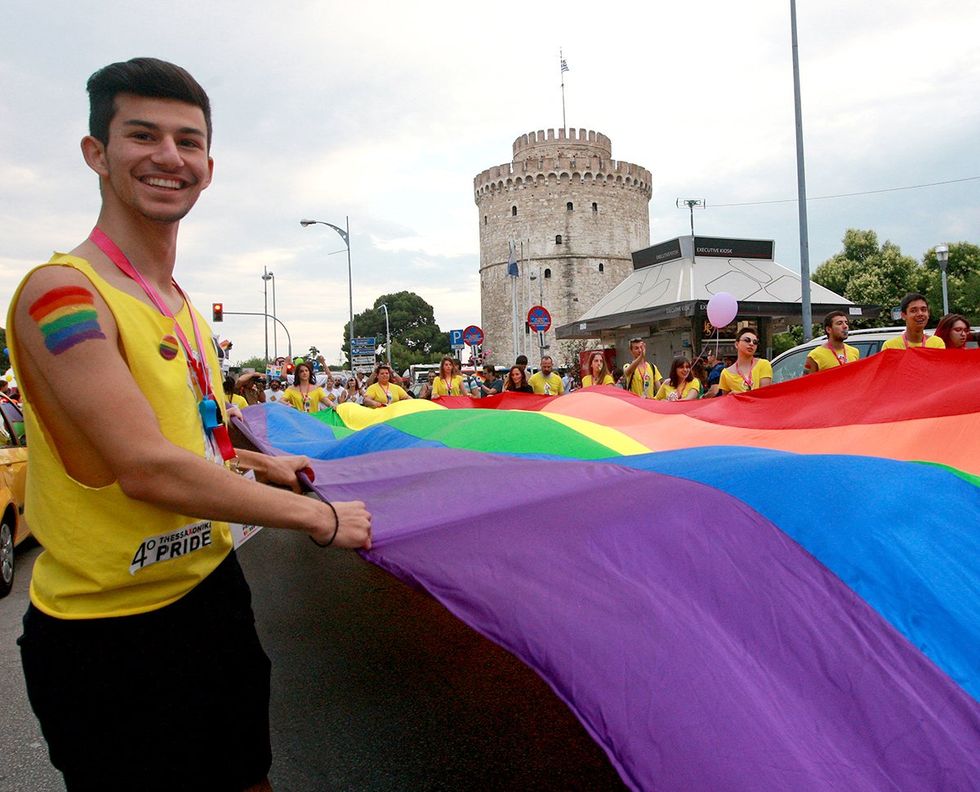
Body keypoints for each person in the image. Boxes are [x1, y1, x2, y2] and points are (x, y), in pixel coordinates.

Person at [7, 58, 371, 792]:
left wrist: (257, 463)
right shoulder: (61, 297)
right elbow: (146, 467)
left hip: (210, 594)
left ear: (208, 167)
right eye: (142, 135)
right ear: (96, 154)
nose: (169, 157)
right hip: (108, 635)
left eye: (189, 141)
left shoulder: (177, 301)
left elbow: (193, 442)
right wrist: (317, 517)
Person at [718, 328, 772, 393]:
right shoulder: (726, 374)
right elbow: (725, 400)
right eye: (747, 340)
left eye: (755, 342)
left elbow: (764, 394)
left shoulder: (764, 364)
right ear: (737, 344)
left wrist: (740, 395)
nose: (751, 344)